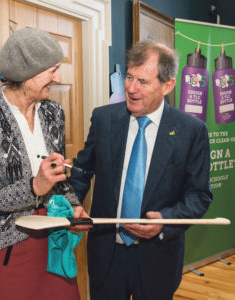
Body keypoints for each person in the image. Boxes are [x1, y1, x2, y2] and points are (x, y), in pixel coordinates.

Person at [69, 40, 213, 300]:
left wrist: (165, 222)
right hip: (106, 254)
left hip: (159, 256)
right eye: (129, 77)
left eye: (143, 82)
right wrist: (73, 203)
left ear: (167, 85)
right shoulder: (103, 118)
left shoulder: (191, 131)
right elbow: (82, 169)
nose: (131, 89)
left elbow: (199, 195)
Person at [0, 28, 88, 300]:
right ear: (27, 73)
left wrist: (73, 205)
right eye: (52, 70)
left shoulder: (53, 112)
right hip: (6, 250)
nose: (59, 78)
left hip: (55, 240)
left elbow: (58, 174)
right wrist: (33, 187)